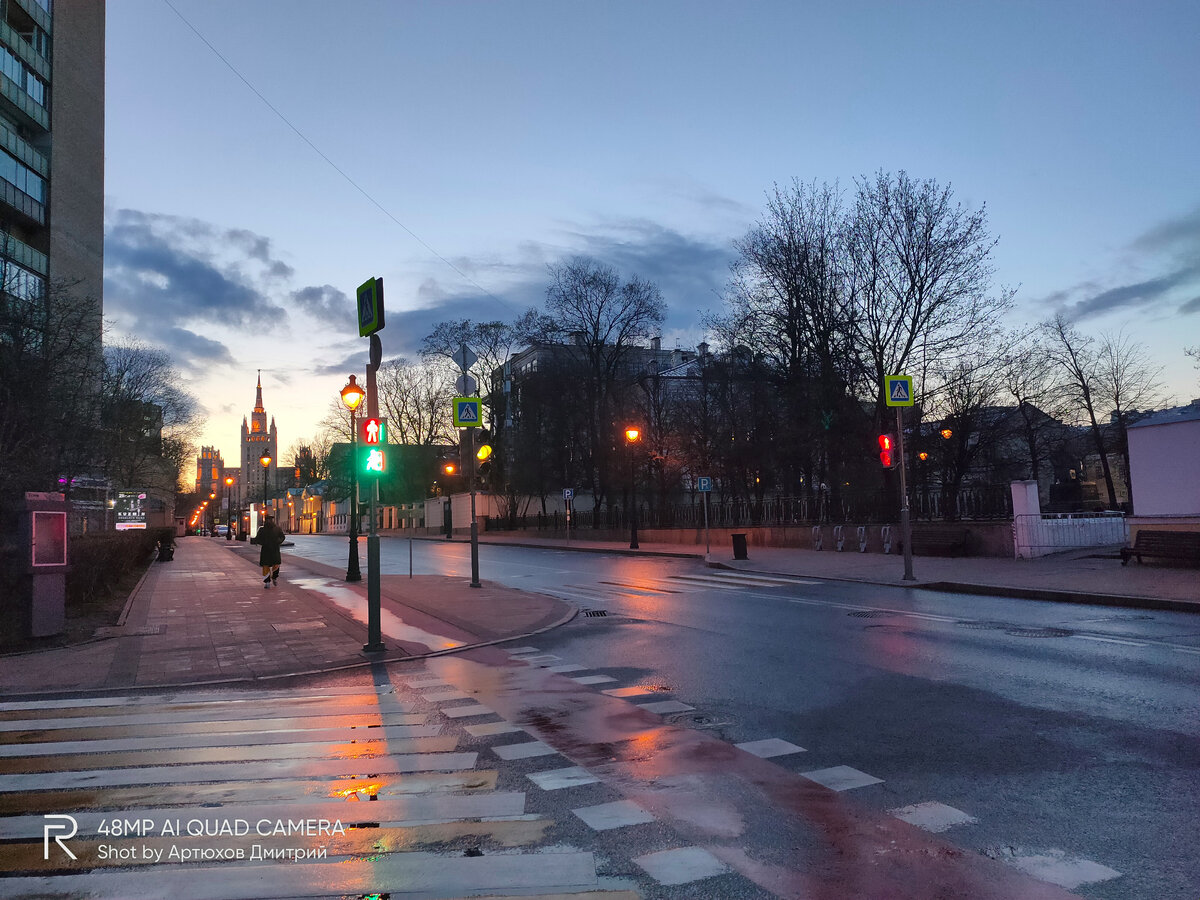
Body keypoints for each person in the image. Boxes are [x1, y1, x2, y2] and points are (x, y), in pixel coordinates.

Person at [252, 514, 285, 588]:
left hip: (274, 549)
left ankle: (274, 577)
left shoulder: (277, 529)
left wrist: (278, 541)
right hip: (266, 550)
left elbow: (282, 537)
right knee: (265, 566)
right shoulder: (262, 529)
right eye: (268, 520)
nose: (269, 521)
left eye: (270, 520)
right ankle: (267, 582)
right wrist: (263, 543)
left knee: (276, 565)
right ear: (265, 521)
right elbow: (258, 539)